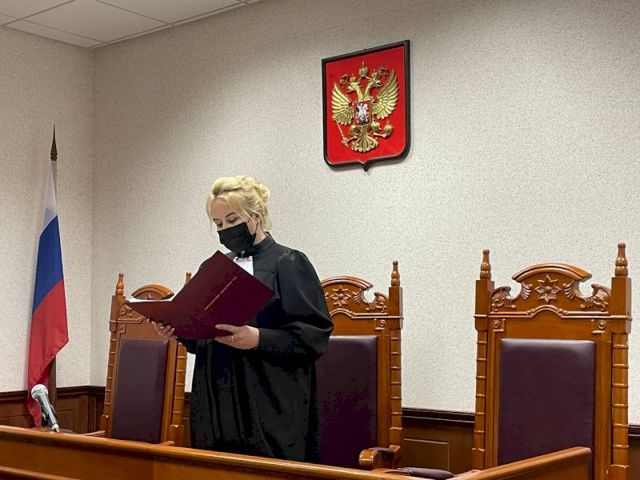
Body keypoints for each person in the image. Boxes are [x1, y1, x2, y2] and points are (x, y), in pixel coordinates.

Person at [178, 175, 333, 463]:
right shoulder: (214, 267)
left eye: (232, 220)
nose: (225, 229)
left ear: (256, 216)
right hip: (216, 400)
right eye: (218, 224)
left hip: (268, 401)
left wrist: (258, 338)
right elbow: (201, 337)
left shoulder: (288, 262)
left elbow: (314, 336)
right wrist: (177, 327)